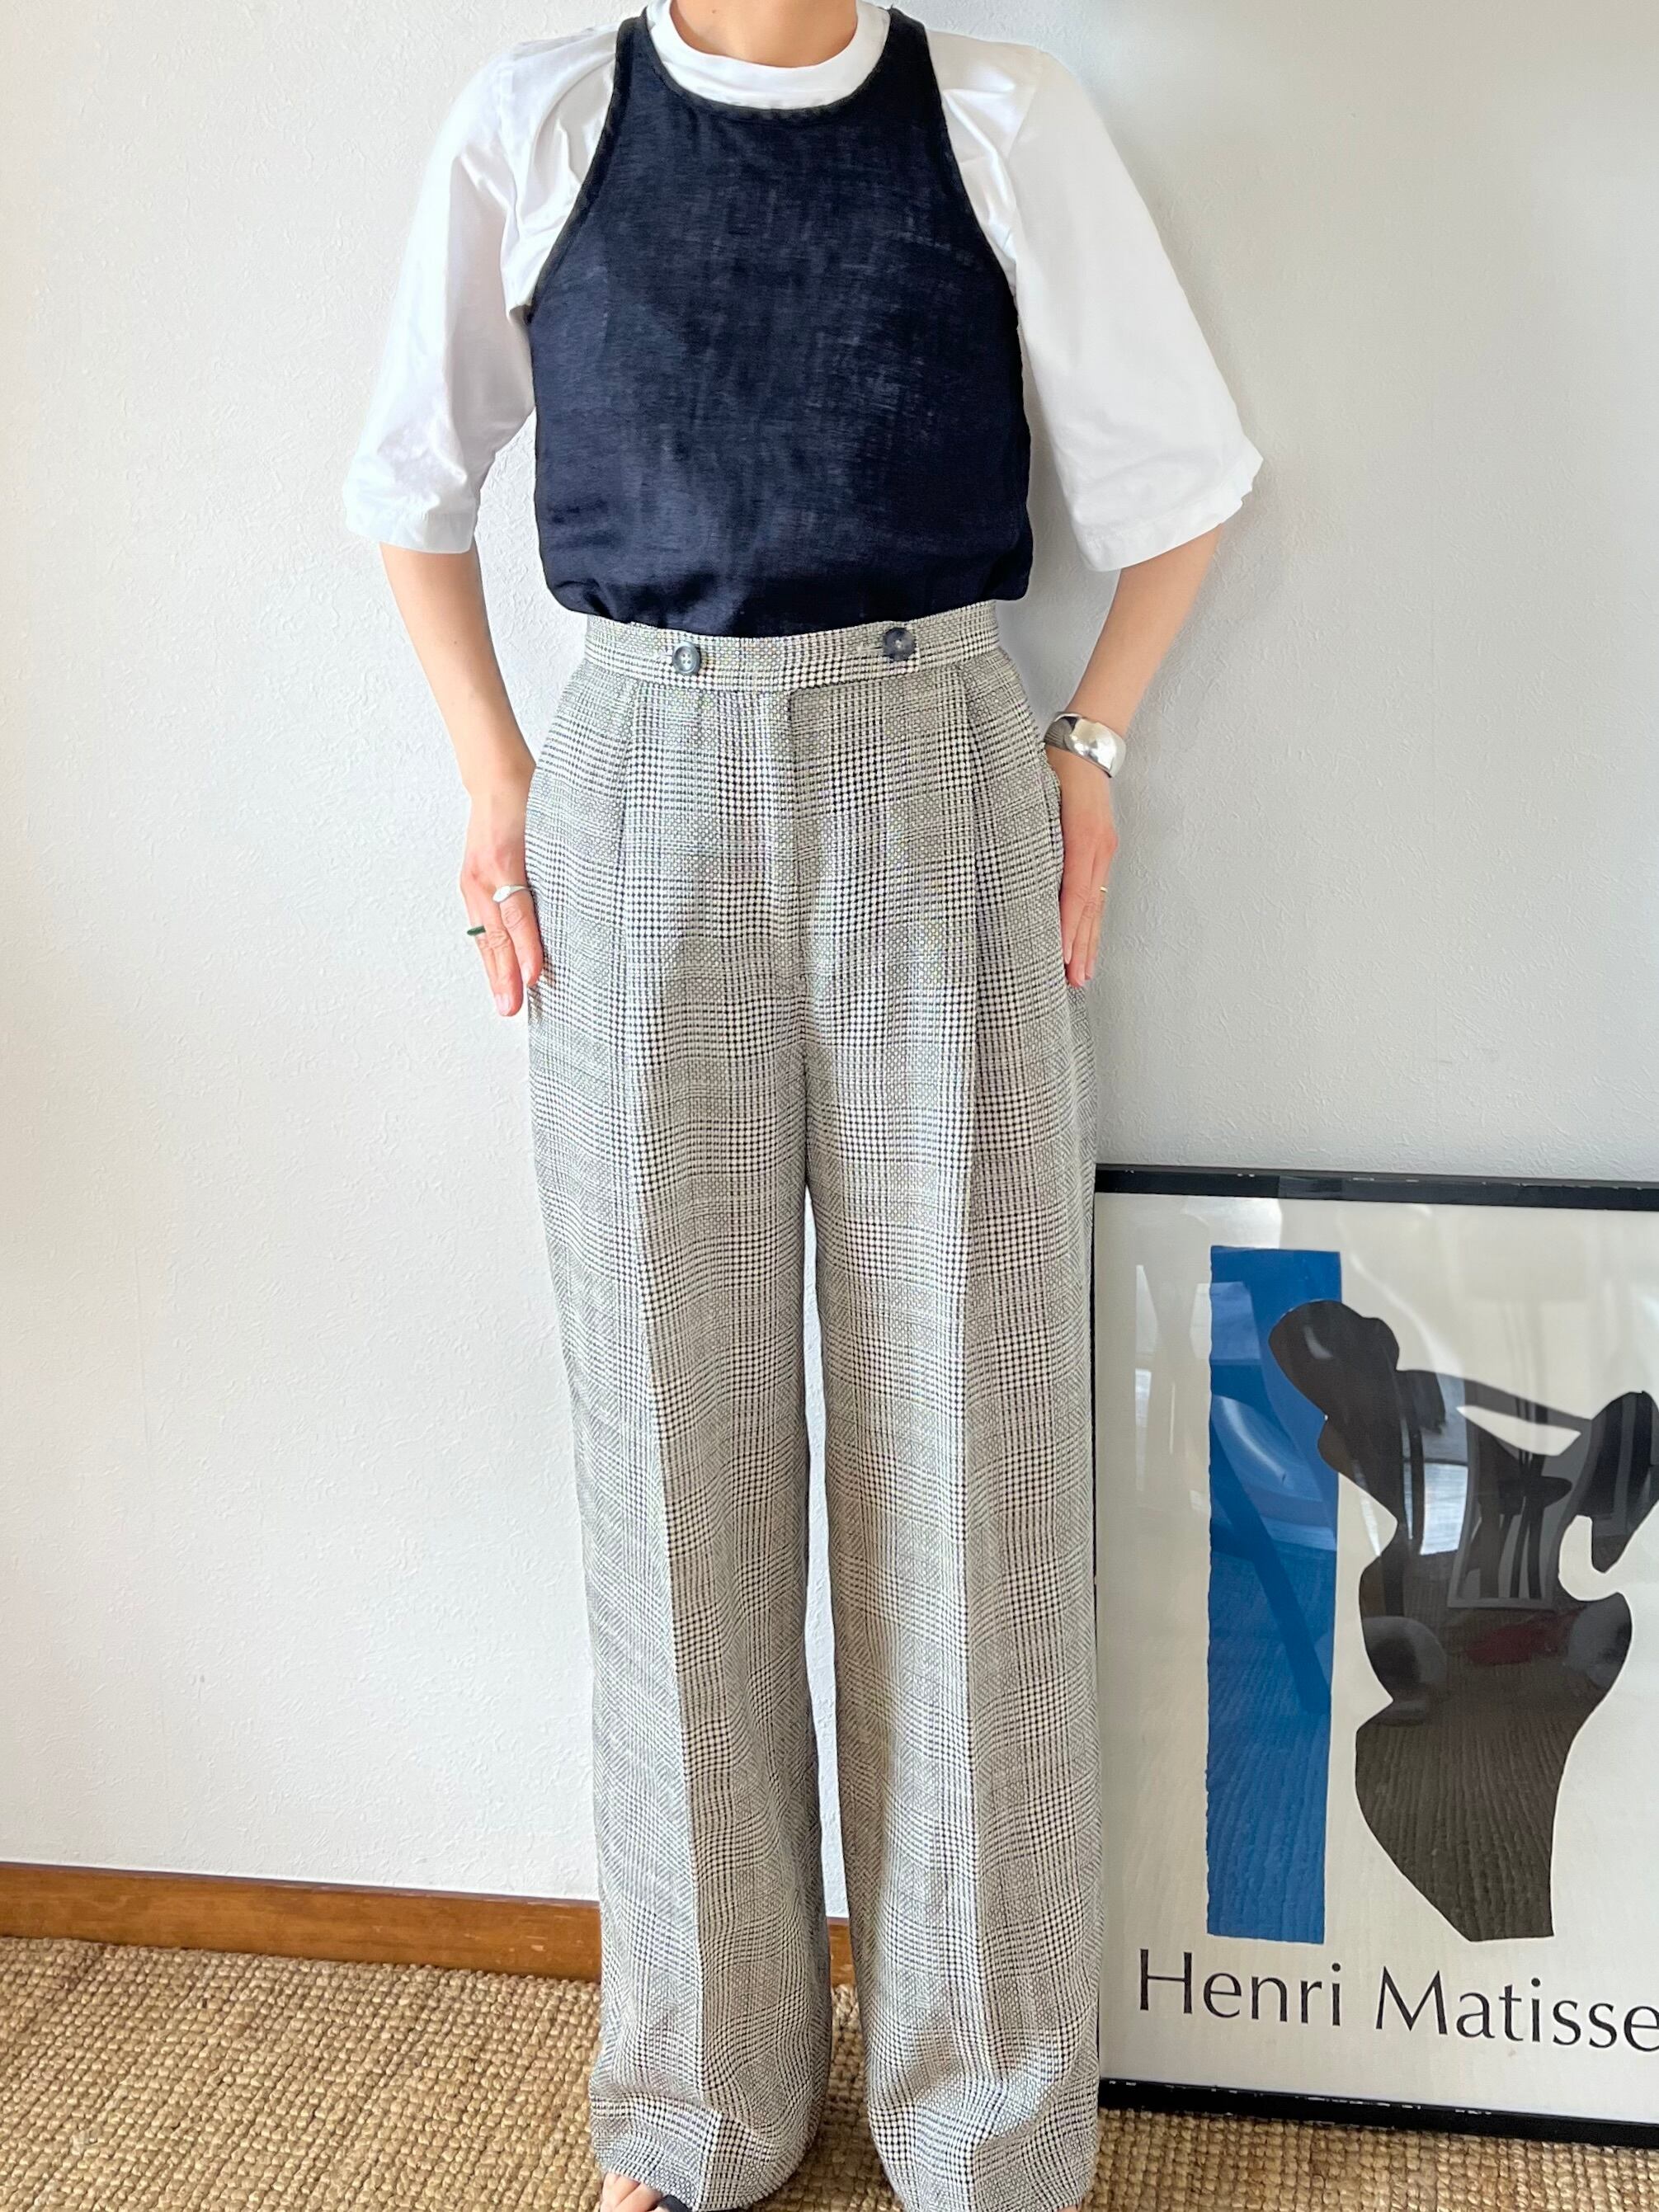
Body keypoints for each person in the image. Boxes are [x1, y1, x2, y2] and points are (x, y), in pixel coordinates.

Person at [342, 5, 1261, 2210]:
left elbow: (1185, 485)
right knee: (672, 1459)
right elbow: (408, 484)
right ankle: (700, 2103)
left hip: (935, 767)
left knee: (974, 1456)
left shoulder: (996, 116)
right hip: (637, 784)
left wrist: (1089, 751)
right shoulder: (538, 124)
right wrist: (494, 779)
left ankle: (986, 2116)